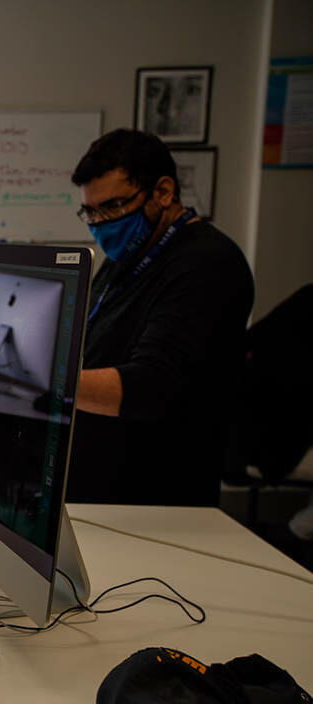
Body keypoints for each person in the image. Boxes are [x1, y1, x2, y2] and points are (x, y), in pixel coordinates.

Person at [66, 129, 254, 506]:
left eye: (114, 207)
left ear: (163, 192)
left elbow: (149, 386)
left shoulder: (208, 265)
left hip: (155, 494)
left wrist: (46, 384)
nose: (101, 224)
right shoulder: (130, 253)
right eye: (91, 212)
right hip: (99, 482)